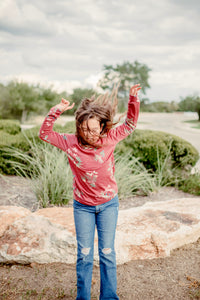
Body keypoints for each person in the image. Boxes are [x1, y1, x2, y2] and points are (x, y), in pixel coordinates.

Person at [39, 83, 141, 300]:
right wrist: (56, 110)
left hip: (108, 205)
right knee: (84, 254)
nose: (89, 134)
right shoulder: (70, 142)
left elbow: (130, 124)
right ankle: (82, 298)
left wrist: (133, 100)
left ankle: (109, 297)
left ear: (103, 127)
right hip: (83, 207)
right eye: (84, 129)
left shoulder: (110, 138)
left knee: (107, 253)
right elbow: (45, 134)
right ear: (78, 127)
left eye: (94, 129)